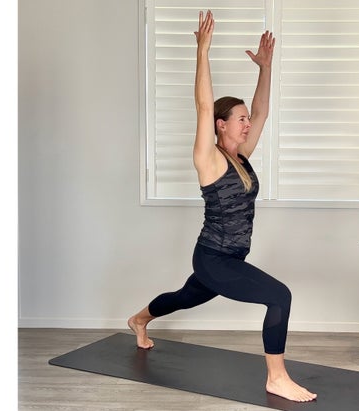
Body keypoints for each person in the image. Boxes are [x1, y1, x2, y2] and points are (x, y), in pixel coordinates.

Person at [127, 10, 317, 403]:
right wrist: (202, 51)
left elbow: (263, 111)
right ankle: (276, 377)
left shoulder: (241, 156)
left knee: (182, 298)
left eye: (247, 120)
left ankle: (139, 320)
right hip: (214, 258)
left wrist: (265, 67)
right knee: (279, 296)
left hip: (228, 257)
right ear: (221, 124)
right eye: (240, 119)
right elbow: (202, 106)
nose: (248, 124)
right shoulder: (208, 159)